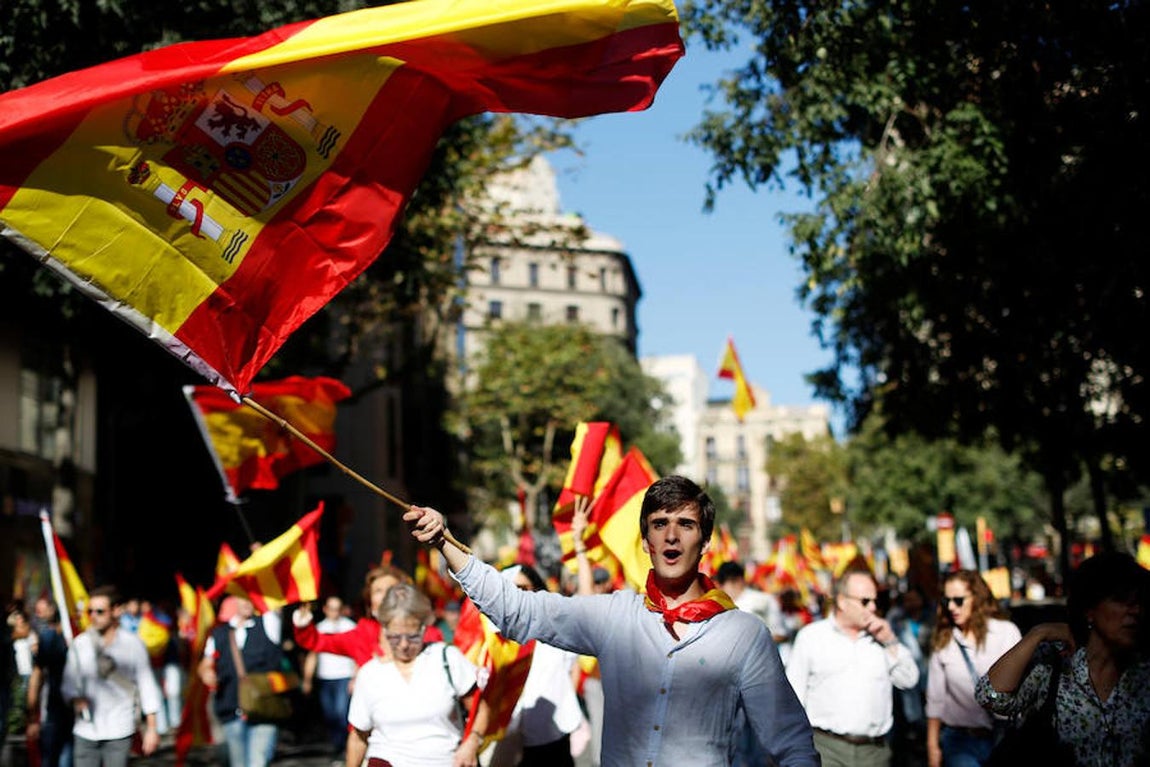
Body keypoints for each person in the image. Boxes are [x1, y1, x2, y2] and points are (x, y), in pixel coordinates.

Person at [406, 475, 820, 766]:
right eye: (660, 524)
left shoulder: (744, 635)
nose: (671, 535)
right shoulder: (614, 615)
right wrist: (444, 541)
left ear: (705, 541)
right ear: (647, 542)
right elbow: (519, 610)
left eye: (686, 524)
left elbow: (791, 741)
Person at [976, 551, 1150, 766]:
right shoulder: (1054, 663)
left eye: (1140, 602)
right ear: (1089, 610)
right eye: (1122, 600)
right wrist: (1039, 633)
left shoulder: (1143, 674)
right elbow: (989, 696)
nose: (1135, 611)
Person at [786, 566, 920, 767]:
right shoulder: (811, 637)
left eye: (875, 600)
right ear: (842, 601)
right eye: (865, 601)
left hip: (874, 752)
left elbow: (909, 680)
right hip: (826, 749)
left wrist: (890, 641)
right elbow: (792, 698)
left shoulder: (881, 638)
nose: (873, 607)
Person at [345, 583, 482, 767]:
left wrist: (472, 741)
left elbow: (480, 708)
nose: (403, 645)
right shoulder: (369, 674)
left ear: (424, 628)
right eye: (395, 637)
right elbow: (358, 737)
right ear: (384, 630)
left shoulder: (447, 658)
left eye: (412, 637)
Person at [488, 564, 584, 767]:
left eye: (522, 588)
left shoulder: (555, 628)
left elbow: (573, 667)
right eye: (509, 589)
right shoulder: (493, 638)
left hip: (552, 736)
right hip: (509, 739)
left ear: (537, 589)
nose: (516, 595)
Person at [924, 571, 1019, 767]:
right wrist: (932, 747)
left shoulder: (1005, 633)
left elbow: (1024, 686)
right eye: (946, 601)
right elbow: (935, 699)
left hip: (1004, 737)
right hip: (959, 741)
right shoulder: (944, 639)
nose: (951, 607)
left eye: (958, 600)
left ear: (977, 598)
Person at [60, 585, 162, 767]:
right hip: (86, 730)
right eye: (90, 611)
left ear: (116, 611)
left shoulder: (133, 644)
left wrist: (152, 729)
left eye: (100, 611)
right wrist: (75, 700)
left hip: (119, 730)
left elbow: (147, 686)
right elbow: (68, 684)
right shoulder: (80, 644)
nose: (93, 616)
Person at [293, 564, 442, 669]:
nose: (385, 596)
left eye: (391, 589)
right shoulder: (361, 636)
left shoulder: (429, 635)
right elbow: (317, 641)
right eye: (378, 591)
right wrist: (303, 623)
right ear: (370, 603)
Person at [198, 594, 287, 767]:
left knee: (257, 762)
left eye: (250, 598)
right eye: (242, 598)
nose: (247, 603)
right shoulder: (219, 634)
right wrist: (206, 673)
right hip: (231, 709)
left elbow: (277, 603)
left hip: (263, 709)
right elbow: (205, 664)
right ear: (235, 602)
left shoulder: (268, 625)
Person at [300, 595, 357, 757]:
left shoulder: (350, 626)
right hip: (325, 677)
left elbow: (357, 654)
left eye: (337, 609)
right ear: (325, 610)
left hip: (344, 675)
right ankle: (337, 745)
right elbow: (312, 655)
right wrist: (307, 679)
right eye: (331, 609)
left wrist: (355, 677)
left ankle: (344, 747)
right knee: (329, 713)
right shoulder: (319, 628)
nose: (335, 612)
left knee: (341, 712)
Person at [27, 598, 74, 767]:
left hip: (70, 708)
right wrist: (33, 716)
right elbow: (37, 675)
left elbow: (37, 675)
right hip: (54, 707)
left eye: (42, 609)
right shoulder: (47, 637)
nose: (39, 613)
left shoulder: (73, 637)